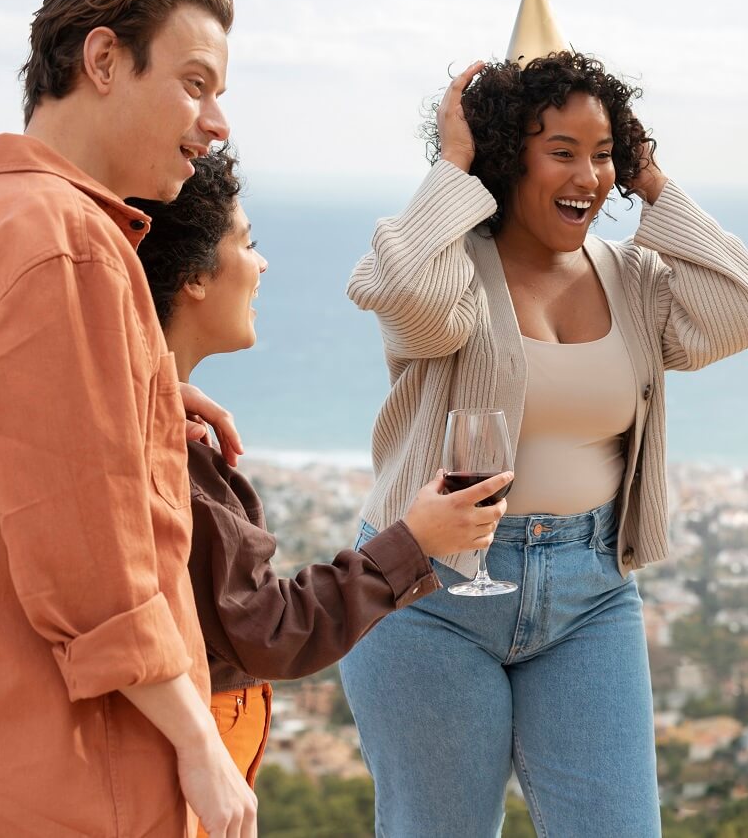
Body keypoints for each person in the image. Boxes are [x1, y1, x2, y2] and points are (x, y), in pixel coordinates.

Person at [338, 48, 748, 836]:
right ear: (509, 157)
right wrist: (453, 165)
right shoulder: (452, 277)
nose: (590, 176)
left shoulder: (636, 279)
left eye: (604, 154)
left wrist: (653, 182)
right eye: (563, 152)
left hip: (590, 592)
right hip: (430, 595)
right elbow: (404, 293)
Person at [0, 0, 258, 836]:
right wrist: (202, 744)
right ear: (104, 61)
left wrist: (141, 386)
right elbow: (89, 560)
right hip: (88, 775)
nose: (217, 120)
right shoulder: (65, 242)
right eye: (197, 83)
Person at [127, 148, 512, 804]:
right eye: (249, 243)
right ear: (193, 275)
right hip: (185, 760)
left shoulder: (150, 416)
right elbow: (269, 630)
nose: (263, 263)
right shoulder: (171, 449)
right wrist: (412, 540)